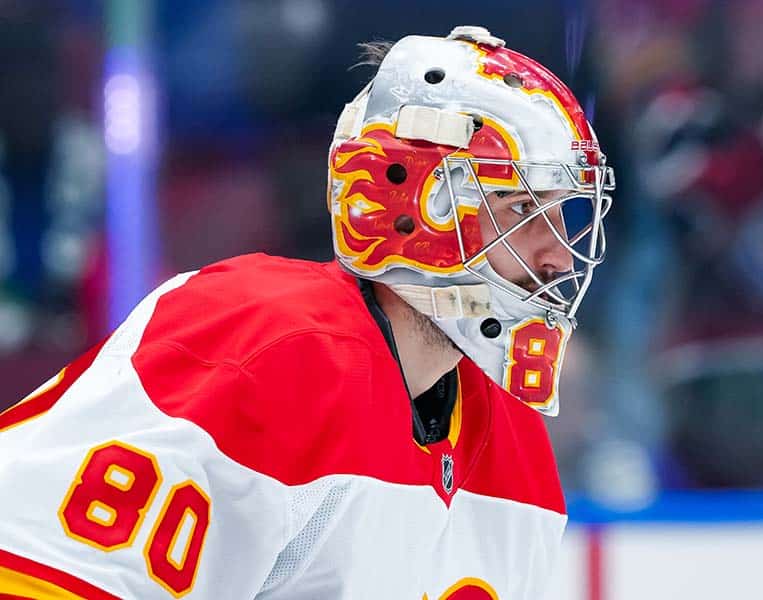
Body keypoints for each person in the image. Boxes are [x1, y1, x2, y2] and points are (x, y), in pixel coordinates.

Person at [0, 26, 614, 599]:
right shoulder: (258, 344)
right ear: (415, 207)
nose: (558, 254)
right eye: (519, 208)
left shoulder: (516, 442)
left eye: (566, 213)